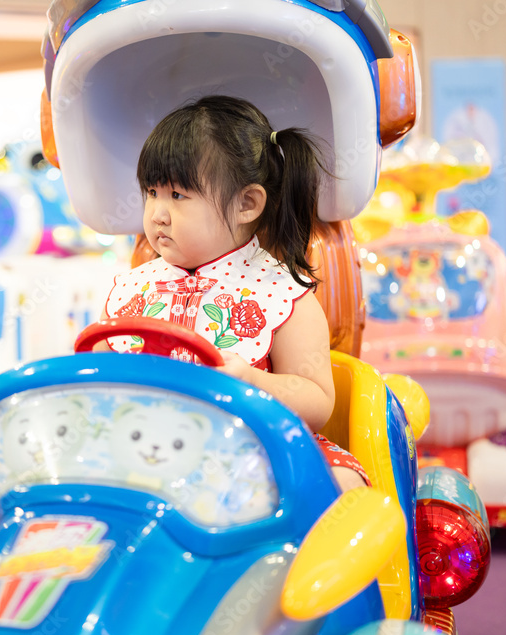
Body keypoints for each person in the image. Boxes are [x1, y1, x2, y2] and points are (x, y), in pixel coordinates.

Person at [95, 95, 368, 491]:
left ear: (246, 204)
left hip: (253, 450)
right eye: (152, 192)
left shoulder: (282, 295)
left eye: (178, 195)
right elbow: (97, 373)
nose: (157, 214)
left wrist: (253, 380)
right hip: (148, 447)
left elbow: (318, 401)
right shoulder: (131, 289)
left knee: (342, 481)